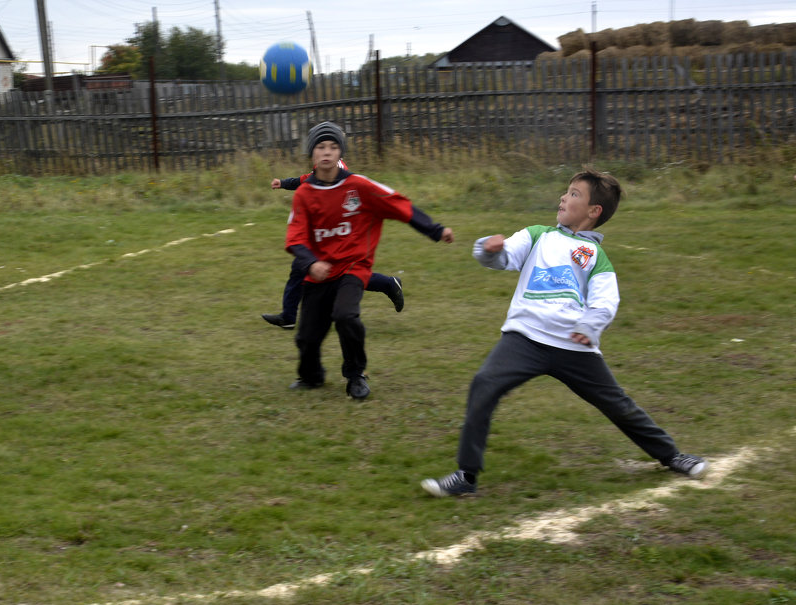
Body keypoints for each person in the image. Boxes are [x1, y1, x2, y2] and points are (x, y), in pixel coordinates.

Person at [421, 168, 706, 497]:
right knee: (484, 384)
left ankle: (672, 456)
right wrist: (489, 248)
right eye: (566, 191)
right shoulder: (538, 235)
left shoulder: (596, 256)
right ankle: (465, 477)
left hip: (574, 346)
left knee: (619, 406)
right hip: (524, 338)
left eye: (574, 194)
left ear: (593, 211)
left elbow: (605, 303)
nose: (563, 197)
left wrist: (588, 327)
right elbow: (501, 257)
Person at [286, 122, 454, 400]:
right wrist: (310, 262)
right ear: (312, 155)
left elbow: (399, 204)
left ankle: (355, 375)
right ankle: (311, 376)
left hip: (353, 267)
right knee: (307, 337)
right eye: (320, 147)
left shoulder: (359, 186)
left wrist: (435, 230)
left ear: (340, 153)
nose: (326, 152)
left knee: (345, 316)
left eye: (332, 147)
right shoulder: (304, 194)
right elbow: (295, 238)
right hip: (317, 274)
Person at [261, 161, 405, 329]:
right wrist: (283, 183)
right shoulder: (323, 166)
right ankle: (289, 316)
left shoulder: (342, 176)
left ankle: (388, 284)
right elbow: (305, 180)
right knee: (301, 269)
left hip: (338, 235)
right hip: (326, 234)